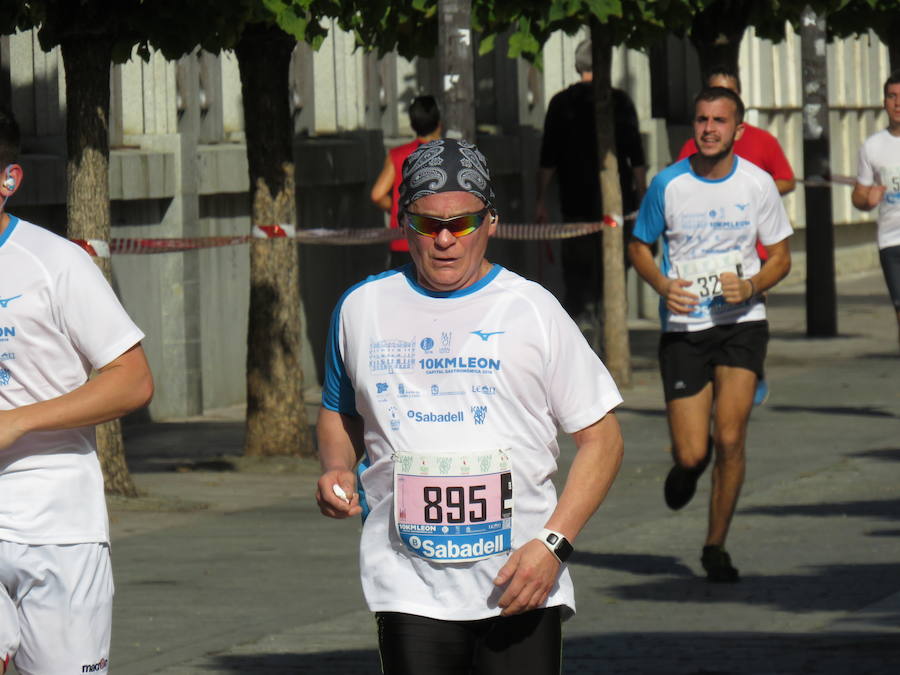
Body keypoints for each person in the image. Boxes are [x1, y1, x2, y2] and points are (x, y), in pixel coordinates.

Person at [317, 138, 624, 674]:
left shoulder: (532, 310)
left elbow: (604, 439)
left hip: (520, 580)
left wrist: (553, 544)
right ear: (403, 222)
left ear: (491, 222)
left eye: (461, 223)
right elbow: (339, 409)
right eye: (426, 223)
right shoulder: (360, 309)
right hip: (408, 585)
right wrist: (336, 467)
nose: (444, 240)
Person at [0, 108, 153, 674]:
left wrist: (18, 421)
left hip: (55, 524)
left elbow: (133, 379)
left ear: (8, 181)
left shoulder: (55, 264)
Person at [628, 88, 792, 582]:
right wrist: (662, 285)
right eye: (701, 119)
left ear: (738, 130)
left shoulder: (757, 184)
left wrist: (752, 284)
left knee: (730, 435)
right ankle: (686, 469)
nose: (709, 128)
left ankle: (715, 545)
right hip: (685, 327)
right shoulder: (668, 185)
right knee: (693, 451)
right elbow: (638, 246)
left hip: (741, 322)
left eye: (720, 120)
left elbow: (782, 256)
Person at [677, 65, 796, 405]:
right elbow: (681, 185)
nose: (711, 125)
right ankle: (711, 376)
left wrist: (752, 193)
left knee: (748, 310)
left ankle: (750, 369)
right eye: (714, 90)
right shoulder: (693, 144)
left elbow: (786, 178)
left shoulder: (762, 140)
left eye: (728, 91)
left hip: (752, 246)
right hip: (702, 250)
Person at [535, 38, 647, 324]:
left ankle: (584, 341)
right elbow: (637, 160)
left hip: (575, 206)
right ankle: (607, 340)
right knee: (611, 280)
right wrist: (643, 197)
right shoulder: (619, 102)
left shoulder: (561, 104)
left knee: (577, 283)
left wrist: (540, 201)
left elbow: (548, 159)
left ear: (577, 65)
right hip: (618, 207)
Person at [852, 70, 900, 350]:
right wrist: (866, 199)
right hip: (891, 240)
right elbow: (859, 195)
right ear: (884, 103)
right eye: (892, 97)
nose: (897, 103)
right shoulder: (872, 146)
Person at [370, 95, 443, 269]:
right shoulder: (445, 154)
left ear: (412, 125)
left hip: (402, 240)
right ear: (439, 122)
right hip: (438, 238)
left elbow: (377, 195)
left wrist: (397, 208)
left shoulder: (398, 155)